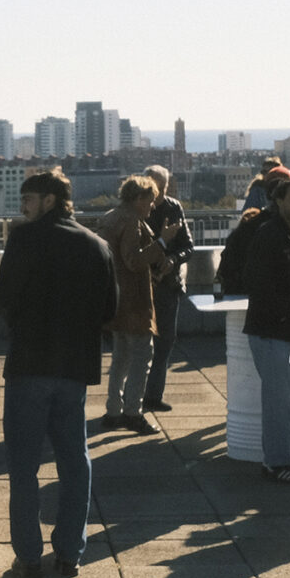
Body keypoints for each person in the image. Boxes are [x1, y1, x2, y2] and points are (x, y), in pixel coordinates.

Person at [0, 171, 118, 577]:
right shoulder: (96, 245)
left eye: (27, 199)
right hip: (74, 367)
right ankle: (69, 551)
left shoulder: (24, 240)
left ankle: (28, 555)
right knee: (74, 460)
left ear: (48, 200)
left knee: (24, 464)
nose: (23, 207)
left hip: (30, 363)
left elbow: (4, 296)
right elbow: (109, 310)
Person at [219, 174, 290, 485]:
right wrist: (279, 317)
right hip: (272, 331)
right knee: (278, 401)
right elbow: (255, 278)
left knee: (284, 399)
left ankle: (278, 461)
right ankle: (275, 463)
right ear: (279, 201)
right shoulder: (272, 234)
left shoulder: (289, 233)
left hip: (282, 331)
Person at [97, 175, 170, 435]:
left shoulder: (110, 217)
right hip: (134, 301)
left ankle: (114, 410)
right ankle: (132, 412)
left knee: (120, 358)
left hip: (115, 299)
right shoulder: (131, 222)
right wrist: (162, 242)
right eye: (150, 201)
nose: (153, 206)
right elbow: (133, 261)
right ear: (138, 199)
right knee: (142, 357)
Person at [143, 165, 193, 413]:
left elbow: (188, 246)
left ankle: (153, 395)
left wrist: (172, 260)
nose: (157, 194)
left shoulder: (173, 208)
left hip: (167, 285)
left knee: (164, 342)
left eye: (161, 189)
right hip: (143, 284)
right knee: (139, 345)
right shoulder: (137, 209)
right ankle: (136, 397)